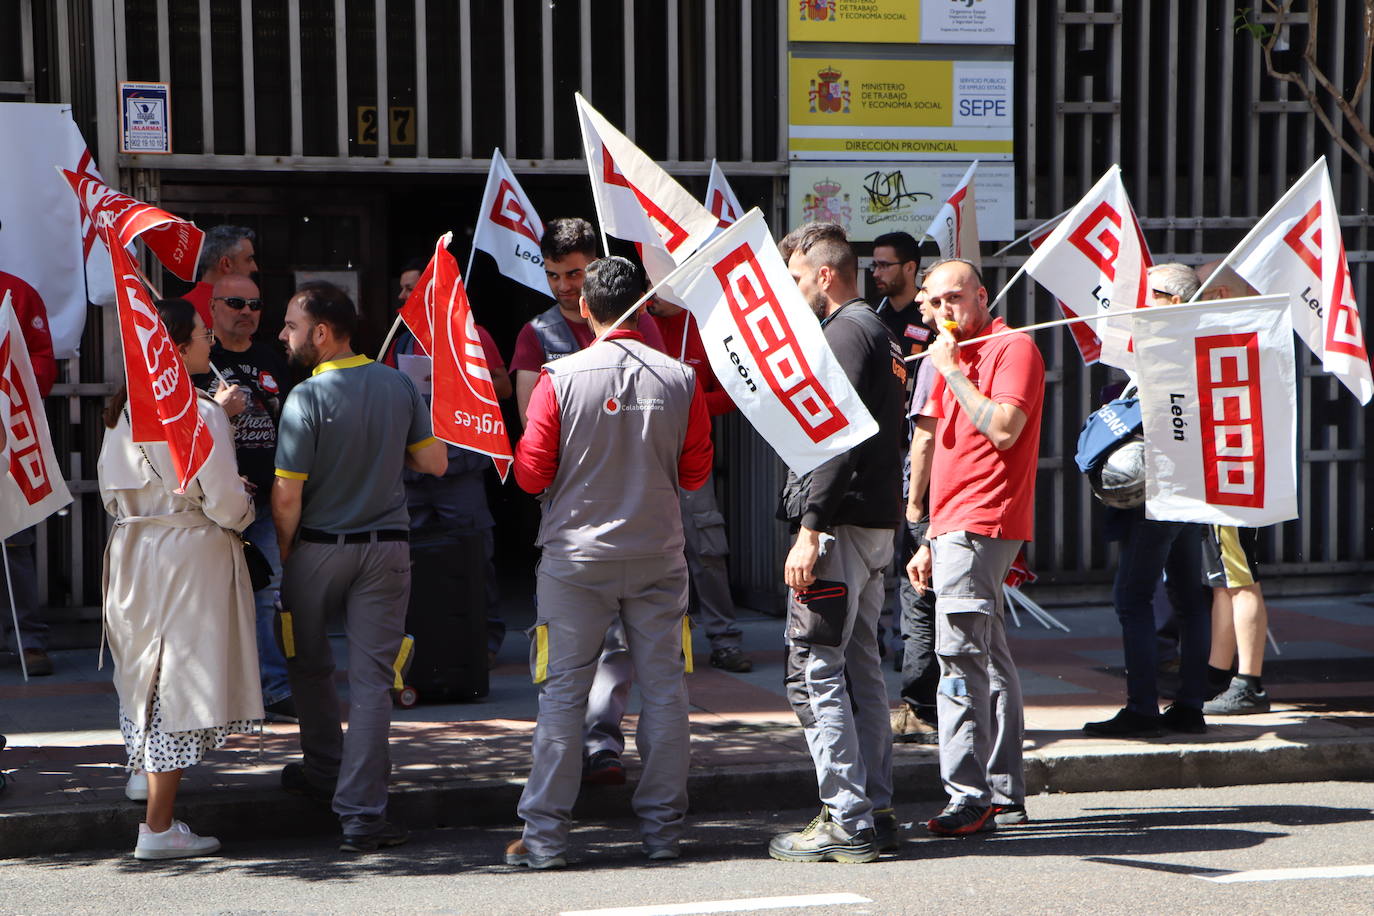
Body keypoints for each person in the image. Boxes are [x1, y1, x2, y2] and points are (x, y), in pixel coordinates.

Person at [505, 256, 711, 869]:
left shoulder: (559, 377)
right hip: (658, 556)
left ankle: (543, 840)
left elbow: (530, 473)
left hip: (575, 560)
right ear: (642, 307)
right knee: (667, 694)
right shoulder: (680, 378)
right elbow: (696, 472)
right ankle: (662, 833)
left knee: (562, 698)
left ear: (587, 310)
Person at [271, 281, 447, 853]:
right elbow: (435, 461)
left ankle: (325, 773)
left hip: (318, 548)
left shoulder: (305, 398)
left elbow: (286, 495)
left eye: (292, 325)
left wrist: (288, 553)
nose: (284, 334)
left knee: (309, 666)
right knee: (374, 684)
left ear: (323, 332)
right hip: (388, 550)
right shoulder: (398, 383)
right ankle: (363, 813)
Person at [98, 298, 262, 860]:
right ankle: (157, 826)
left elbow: (107, 492)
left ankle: (146, 783)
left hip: (133, 548)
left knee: (143, 672)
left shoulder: (122, 411)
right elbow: (224, 501)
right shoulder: (200, 413)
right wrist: (246, 509)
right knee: (176, 682)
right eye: (199, 334)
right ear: (175, 348)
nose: (209, 341)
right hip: (188, 554)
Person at [508, 218, 666, 787]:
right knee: (566, 644)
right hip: (570, 509)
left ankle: (603, 742)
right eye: (553, 276)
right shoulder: (537, 333)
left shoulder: (643, 326)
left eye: (574, 274)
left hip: (637, 502)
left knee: (622, 643)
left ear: (595, 267)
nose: (564, 287)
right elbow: (532, 430)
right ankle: (565, 743)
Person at [769, 223, 905, 864]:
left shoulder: (847, 331)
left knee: (815, 667)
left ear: (826, 274)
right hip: (872, 524)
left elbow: (836, 435)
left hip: (843, 527)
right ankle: (873, 807)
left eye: (797, 278)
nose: (792, 291)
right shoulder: (875, 329)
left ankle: (847, 820)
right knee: (860, 665)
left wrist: (811, 527)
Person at [906, 256, 1044, 836]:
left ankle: (969, 795)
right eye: (934, 302)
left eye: (954, 298)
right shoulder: (945, 351)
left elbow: (1005, 428)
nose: (945, 311)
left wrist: (955, 370)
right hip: (953, 519)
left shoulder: (1013, 348)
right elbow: (929, 441)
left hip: (986, 517)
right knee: (988, 655)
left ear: (981, 295)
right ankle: (1001, 789)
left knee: (959, 658)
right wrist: (924, 526)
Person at [1083, 263, 1213, 739]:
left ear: (1175, 301)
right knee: (1187, 599)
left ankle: (1143, 709)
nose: (1141, 301)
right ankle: (1190, 705)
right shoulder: (1198, 343)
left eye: (1150, 293)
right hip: (1187, 487)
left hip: (1160, 493)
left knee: (1132, 598)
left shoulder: (1172, 346)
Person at [383, 261, 513, 666]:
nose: (405, 297)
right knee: (408, 560)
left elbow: (506, 389)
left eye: (413, 288)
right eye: (402, 289)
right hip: (413, 468)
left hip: (460, 468)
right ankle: (417, 642)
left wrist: (466, 377)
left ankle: (485, 640)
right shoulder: (398, 341)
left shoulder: (472, 333)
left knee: (476, 555)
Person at [192, 272, 297, 724]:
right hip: (213, 504)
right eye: (235, 303)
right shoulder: (198, 359)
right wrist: (217, 408)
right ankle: (213, 692)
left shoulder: (274, 359)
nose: (247, 313)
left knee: (266, 596)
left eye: (254, 305)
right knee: (210, 598)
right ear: (213, 308)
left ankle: (272, 688)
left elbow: (295, 425)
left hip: (267, 498)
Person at [645, 294, 752, 673]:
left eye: (660, 284)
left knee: (707, 550)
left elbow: (734, 395)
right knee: (645, 555)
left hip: (693, 459)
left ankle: (725, 641)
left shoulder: (706, 328)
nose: (652, 293)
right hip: (642, 461)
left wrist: (683, 401)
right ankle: (659, 646)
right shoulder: (636, 323)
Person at [868, 233, 940, 744]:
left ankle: (920, 702)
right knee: (874, 573)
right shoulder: (869, 321)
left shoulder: (934, 330)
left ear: (911, 268)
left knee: (917, 580)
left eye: (886, 265)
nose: (877, 272)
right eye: (873, 264)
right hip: (877, 455)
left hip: (919, 458)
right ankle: (875, 684)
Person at [1196, 260, 1272, 715]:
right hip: (1234, 471)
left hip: (1233, 474)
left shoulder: (1234, 340)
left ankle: (1249, 683)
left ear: (1220, 296)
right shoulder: (1252, 338)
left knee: (1240, 580)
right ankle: (1217, 673)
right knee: (1225, 581)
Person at [0, 271, 58, 677]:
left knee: (16, 541)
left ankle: (28, 639)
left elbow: (41, 357)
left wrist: (12, 390)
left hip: (9, 437)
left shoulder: (18, 292)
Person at [184, 225, 259, 328]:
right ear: (226, 264)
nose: (255, 268)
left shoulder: (182, 309)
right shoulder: (233, 312)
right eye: (248, 260)